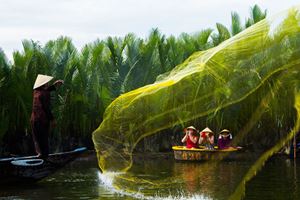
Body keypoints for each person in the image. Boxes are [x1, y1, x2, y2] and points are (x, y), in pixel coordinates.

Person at [31, 74, 63, 158]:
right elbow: (46, 108)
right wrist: (52, 119)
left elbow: (46, 90)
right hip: (42, 120)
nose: (48, 83)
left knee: (37, 138)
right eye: (46, 82)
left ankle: (40, 154)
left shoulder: (36, 91)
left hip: (34, 119)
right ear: (43, 84)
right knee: (43, 138)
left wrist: (54, 85)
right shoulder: (44, 94)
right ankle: (44, 158)